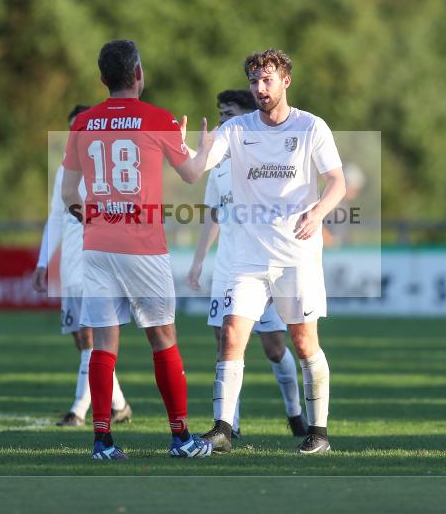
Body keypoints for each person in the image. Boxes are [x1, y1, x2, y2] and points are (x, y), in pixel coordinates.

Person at [61, 39, 215, 460]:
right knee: (163, 338)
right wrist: (202, 148)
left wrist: (93, 221)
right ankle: (181, 438)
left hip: (97, 246)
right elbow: (191, 174)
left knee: (103, 344)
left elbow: (69, 193)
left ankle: (102, 442)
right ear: (139, 74)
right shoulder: (159, 119)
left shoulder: (83, 122)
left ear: (102, 78)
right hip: (143, 247)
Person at [198, 49, 346, 455]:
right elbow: (196, 169)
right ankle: (223, 429)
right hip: (247, 257)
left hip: (296, 254)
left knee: (303, 342)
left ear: (285, 82)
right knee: (231, 335)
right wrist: (187, 151)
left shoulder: (311, 127)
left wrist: (317, 213)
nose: (260, 88)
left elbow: (337, 182)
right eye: (254, 81)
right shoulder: (236, 129)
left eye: (267, 80)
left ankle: (318, 433)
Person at [186, 89, 307, 442]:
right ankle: (229, 425)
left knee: (274, 347)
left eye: (229, 114)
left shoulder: (264, 156)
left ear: (245, 118)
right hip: (228, 267)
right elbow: (214, 215)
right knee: (226, 342)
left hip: (264, 263)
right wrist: (198, 261)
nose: (223, 120)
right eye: (220, 114)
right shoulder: (219, 166)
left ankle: (295, 413)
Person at [32, 105, 133, 428]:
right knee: (82, 340)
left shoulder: (110, 169)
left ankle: (78, 410)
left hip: (99, 264)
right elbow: (55, 219)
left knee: (91, 337)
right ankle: (120, 404)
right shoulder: (65, 171)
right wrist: (43, 262)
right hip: (70, 269)